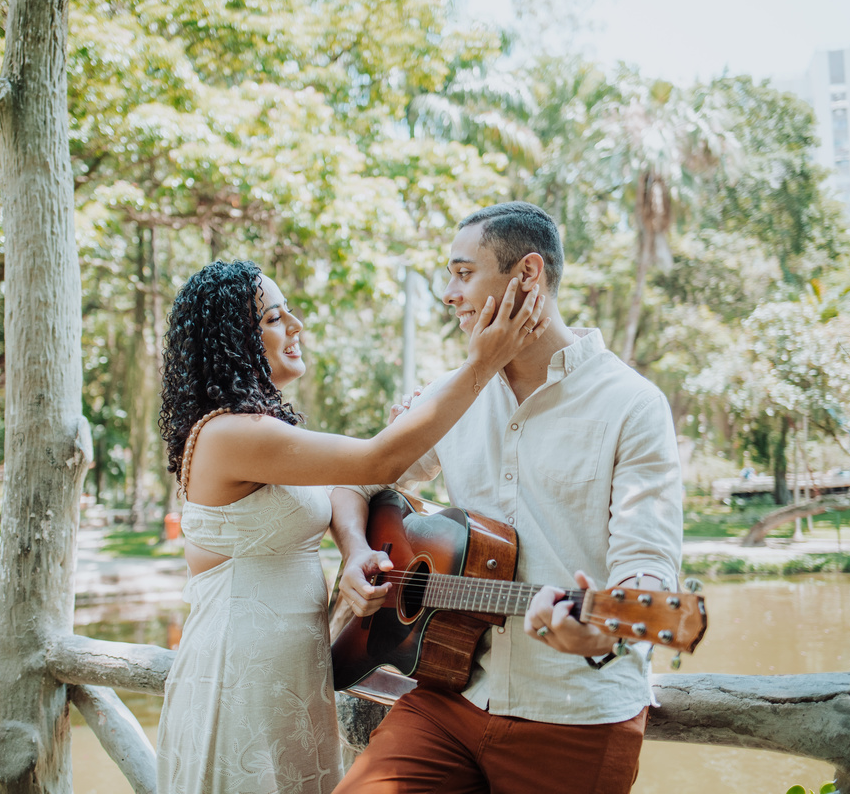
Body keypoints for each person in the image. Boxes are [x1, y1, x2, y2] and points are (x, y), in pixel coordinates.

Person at [155, 258, 548, 794]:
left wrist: (358, 544)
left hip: (291, 670)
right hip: (239, 672)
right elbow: (377, 461)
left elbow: (355, 481)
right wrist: (481, 364)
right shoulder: (229, 434)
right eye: (274, 318)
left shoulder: (257, 427)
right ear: (231, 342)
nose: (296, 326)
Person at [332, 201, 683, 794]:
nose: (449, 294)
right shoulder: (451, 395)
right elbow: (358, 478)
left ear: (527, 274)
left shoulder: (633, 405)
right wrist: (352, 553)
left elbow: (647, 565)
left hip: (577, 715)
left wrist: (602, 633)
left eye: (464, 273)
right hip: (448, 696)